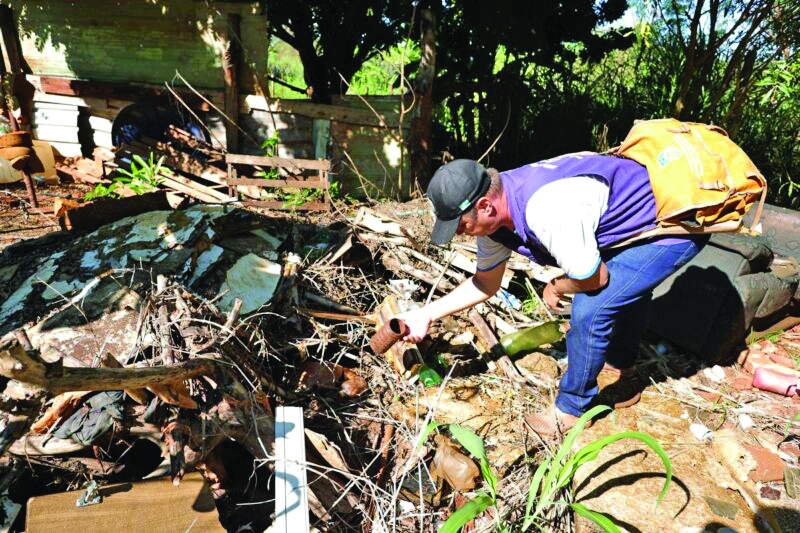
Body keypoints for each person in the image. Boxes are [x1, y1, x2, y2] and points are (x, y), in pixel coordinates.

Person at [397, 153, 706, 437]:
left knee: (591, 307)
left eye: (461, 226)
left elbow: (593, 279)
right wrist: (426, 313)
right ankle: (622, 364)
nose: (461, 233)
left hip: (674, 226)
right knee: (624, 291)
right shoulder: (497, 211)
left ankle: (571, 409)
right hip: (631, 226)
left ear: (484, 207)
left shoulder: (544, 208)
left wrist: (557, 285)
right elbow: (485, 283)